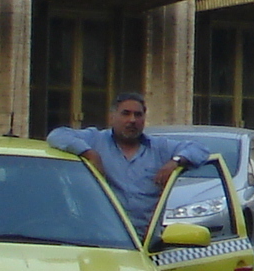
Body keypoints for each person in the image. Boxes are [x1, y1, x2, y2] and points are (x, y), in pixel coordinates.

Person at [47, 91, 215, 237]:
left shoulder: (159, 148)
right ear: (112, 117)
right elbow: (57, 135)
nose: (132, 120)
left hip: (146, 243)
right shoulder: (95, 140)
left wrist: (175, 162)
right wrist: (89, 153)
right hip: (102, 240)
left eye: (138, 115)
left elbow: (200, 149)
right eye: (125, 114)